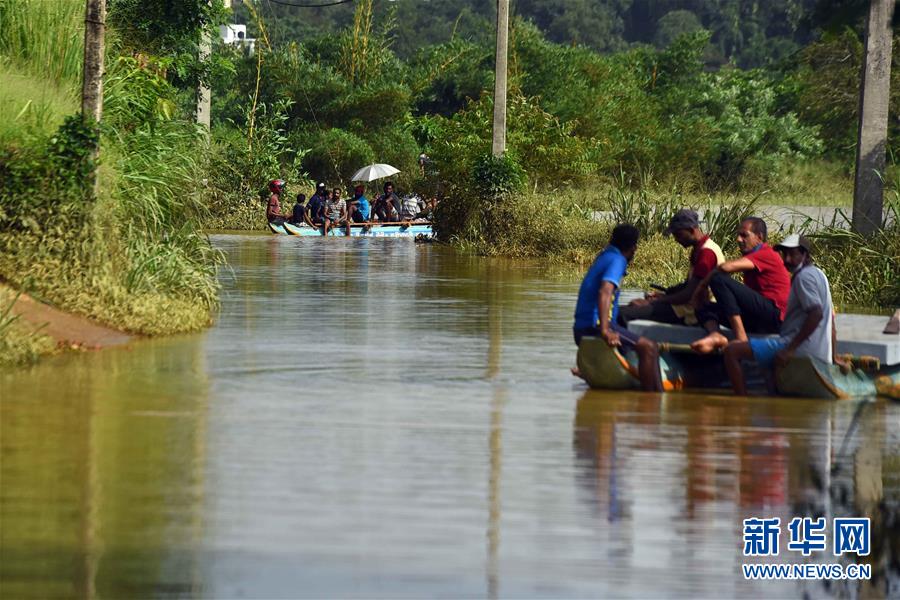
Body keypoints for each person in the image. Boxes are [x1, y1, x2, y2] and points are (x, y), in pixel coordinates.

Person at [723, 234, 836, 395]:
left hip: (799, 347)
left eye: (792, 254)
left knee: (732, 351)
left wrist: (790, 350)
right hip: (818, 350)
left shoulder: (803, 278)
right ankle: (774, 397)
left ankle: (741, 402)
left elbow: (816, 314)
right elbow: (831, 321)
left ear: (804, 254)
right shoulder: (820, 275)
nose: (787, 259)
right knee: (768, 363)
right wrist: (834, 357)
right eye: (784, 254)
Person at [572, 224, 663, 392]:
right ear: (634, 247)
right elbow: (605, 291)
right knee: (649, 347)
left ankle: (591, 372)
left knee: (629, 339)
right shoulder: (618, 260)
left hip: (580, 328)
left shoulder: (605, 255)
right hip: (595, 327)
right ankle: (653, 399)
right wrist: (605, 330)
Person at [690, 217, 791, 354]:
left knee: (719, 279)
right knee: (702, 306)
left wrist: (701, 286)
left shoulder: (767, 253)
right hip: (759, 317)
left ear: (759, 237)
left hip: (775, 316)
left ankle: (741, 338)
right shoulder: (753, 256)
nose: (738, 239)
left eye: (744, 235)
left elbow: (726, 267)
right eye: (738, 235)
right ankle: (715, 335)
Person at [619, 209, 724, 327]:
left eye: (678, 235)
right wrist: (665, 295)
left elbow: (689, 294)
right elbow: (689, 285)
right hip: (686, 306)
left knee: (623, 314)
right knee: (631, 307)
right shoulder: (701, 248)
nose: (676, 239)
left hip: (694, 311)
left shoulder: (706, 253)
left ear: (691, 230)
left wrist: (655, 301)